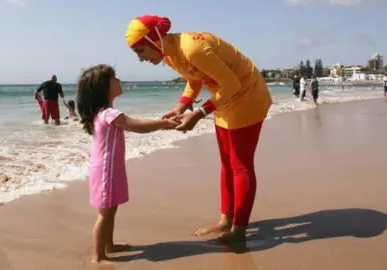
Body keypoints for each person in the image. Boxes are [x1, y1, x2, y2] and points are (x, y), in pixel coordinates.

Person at [125, 15, 272, 242]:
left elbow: (233, 83)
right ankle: (226, 221)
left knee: (240, 164)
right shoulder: (171, 54)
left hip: (247, 97)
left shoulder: (192, 48)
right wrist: (180, 107)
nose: (141, 60)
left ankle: (239, 230)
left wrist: (200, 112)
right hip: (225, 101)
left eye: (141, 52)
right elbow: (194, 79)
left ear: (154, 40)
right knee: (226, 164)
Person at [76, 64, 180, 263]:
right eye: (114, 78)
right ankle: (98, 256)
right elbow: (137, 126)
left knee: (111, 209)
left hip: (108, 169)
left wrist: (163, 123)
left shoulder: (103, 113)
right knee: (105, 213)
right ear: (103, 87)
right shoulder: (109, 114)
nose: (119, 80)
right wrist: (165, 123)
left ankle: (109, 245)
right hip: (107, 171)